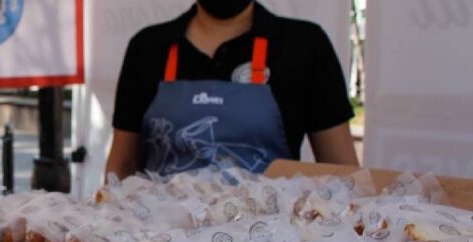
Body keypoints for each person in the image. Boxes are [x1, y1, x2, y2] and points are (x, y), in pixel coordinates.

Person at [105, 0, 359, 179]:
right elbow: (122, 165)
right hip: (158, 241)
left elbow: (342, 171)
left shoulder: (303, 45)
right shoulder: (148, 47)